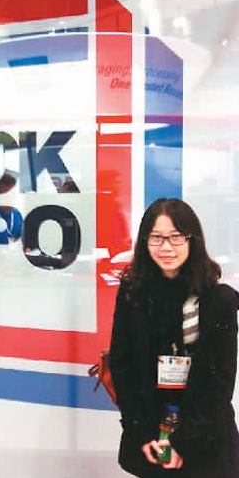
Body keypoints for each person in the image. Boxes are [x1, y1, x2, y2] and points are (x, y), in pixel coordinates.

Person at [109, 198, 239, 478]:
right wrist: (142, 433)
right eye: (156, 237)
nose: (166, 247)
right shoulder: (133, 294)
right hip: (150, 435)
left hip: (206, 439)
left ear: (193, 240)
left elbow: (221, 383)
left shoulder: (219, 300)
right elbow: (122, 366)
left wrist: (182, 445)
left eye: (176, 237)